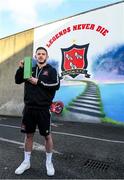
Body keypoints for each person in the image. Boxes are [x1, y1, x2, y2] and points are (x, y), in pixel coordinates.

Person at [15, 47, 60, 176]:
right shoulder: (30, 69)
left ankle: (49, 162)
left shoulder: (51, 71)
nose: (40, 56)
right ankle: (26, 162)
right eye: (38, 54)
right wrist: (21, 68)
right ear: (35, 56)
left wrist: (38, 82)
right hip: (29, 109)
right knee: (28, 135)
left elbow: (56, 85)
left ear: (47, 56)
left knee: (47, 136)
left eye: (43, 54)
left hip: (43, 109)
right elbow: (18, 80)